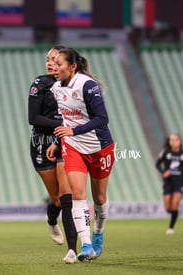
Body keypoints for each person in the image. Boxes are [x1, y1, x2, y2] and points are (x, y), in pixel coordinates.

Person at [46, 47, 116, 262]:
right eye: (53, 64)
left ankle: (98, 233)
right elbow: (67, 121)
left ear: (72, 66)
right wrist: (59, 142)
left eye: (59, 64)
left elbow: (102, 119)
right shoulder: (56, 88)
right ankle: (85, 245)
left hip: (99, 146)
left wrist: (73, 131)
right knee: (78, 195)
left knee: (100, 198)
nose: (54, 68)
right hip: (73, 146)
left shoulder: (87, 85)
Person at [28, 45, 78, 264]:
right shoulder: (40, 84)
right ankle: (51, 221)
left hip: (65, 142)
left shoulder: (72, 83)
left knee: (67, 197)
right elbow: (33, 118)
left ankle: (72, 251)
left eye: (55, 59)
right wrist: (63, 123)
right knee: (56, 198)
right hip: (42, 143)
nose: (50, 63)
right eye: (48, 59)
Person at [155, 133, 183, 235]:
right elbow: (157, 164)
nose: (173, 142)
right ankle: (174, 214)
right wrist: (163, 172)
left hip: (179, 183)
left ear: (179, 141)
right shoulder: (166, 152)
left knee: (175, 204)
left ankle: (171, 228)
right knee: (168, 208)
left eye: (175, 140)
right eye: (171, 140)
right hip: (168, 183)